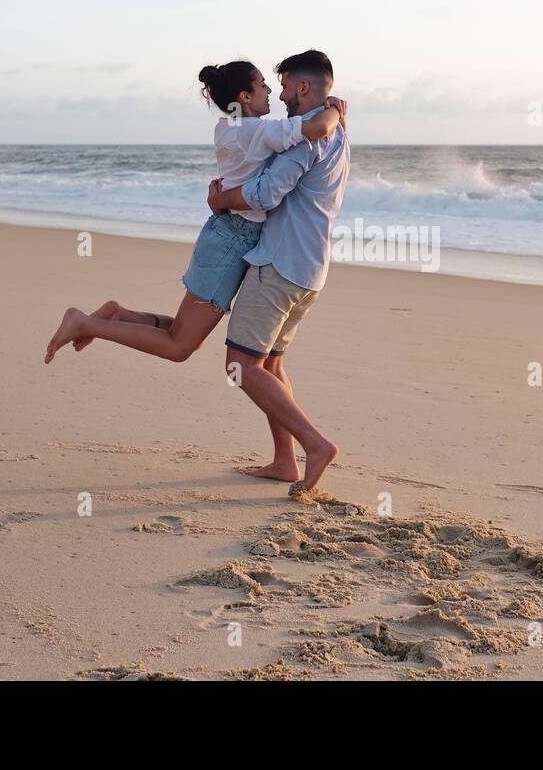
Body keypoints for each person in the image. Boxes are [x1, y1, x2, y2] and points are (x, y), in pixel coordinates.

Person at [43, 59, 344, 365]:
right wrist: (335, 109)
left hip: (229, 234)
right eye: (263, 85)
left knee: (183, 334)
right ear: (245, 97)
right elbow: (318, 128)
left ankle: (116, 316)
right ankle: (86, 323)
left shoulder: (231, 128)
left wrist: (222, 200)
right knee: (179, 346)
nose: (272, 92)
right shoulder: (255, 131)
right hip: (232, 240)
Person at [206, 50, 349, 495]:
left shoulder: (307, 140)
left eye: (284, 87)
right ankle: (285, 461)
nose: (281, 96)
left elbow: (266, 194)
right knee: (270, 363)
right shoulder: (339, 129)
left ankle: (315, 444)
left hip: (279, 267)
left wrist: (222, 200)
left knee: (239, 366)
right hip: (311, 272)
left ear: (303, 87)